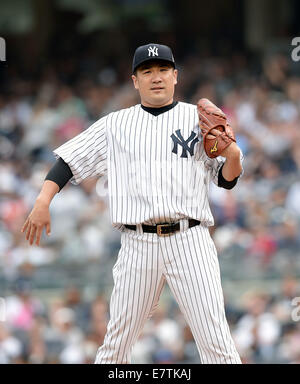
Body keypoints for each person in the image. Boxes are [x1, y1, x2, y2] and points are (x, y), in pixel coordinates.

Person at [21, 43, 243, 364]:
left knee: (217, 343)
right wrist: (43, 200)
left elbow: (226, 179)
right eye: (147, 71)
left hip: (190, 240)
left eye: (163, 70)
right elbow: (68, 162)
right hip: (138, 243)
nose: (156, 77)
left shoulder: (196, 118)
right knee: (116, 345)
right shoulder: (115, 125)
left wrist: (233, 154)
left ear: (175, 76)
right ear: (135, 81)